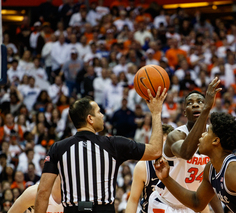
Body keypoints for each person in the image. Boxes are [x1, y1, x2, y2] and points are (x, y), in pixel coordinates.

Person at [35, 87, 167, 213]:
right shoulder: (113, 144)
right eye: (99, 112)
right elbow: (155, 151)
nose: (102, 115)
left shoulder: (58, 148)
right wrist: (156, 113)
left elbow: (43, 192)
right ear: (90, 118)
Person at [148, 77, 222, 213]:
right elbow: (186, 153)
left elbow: (212, 185)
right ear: (184, 112)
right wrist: (205, 109)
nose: (195, 105)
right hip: (165, 204)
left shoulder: (214, 140)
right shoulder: (175, 136)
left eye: (200, 102)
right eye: (190, 103)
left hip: (191, 206)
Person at [126, 124, 174, 213]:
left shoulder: (181, 164)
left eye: (167, 143)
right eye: (160, 143)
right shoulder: (143, 166)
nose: (164, 147)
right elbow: (133, 200)